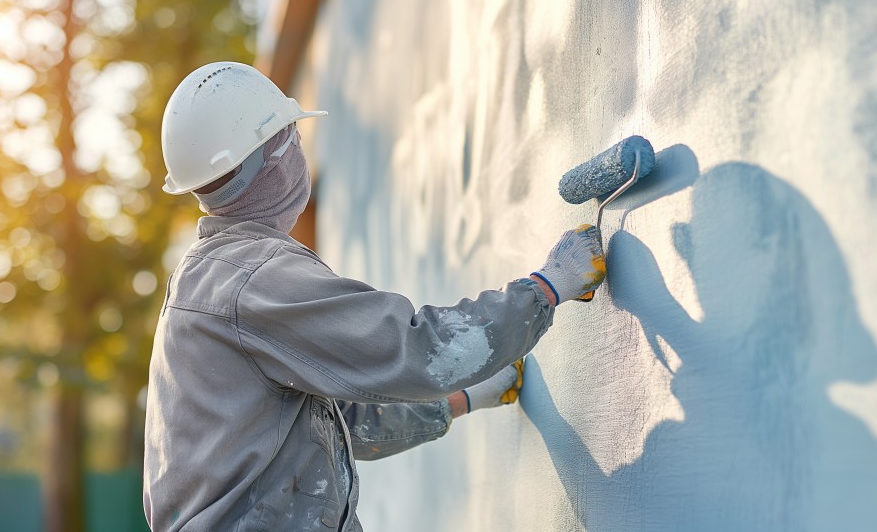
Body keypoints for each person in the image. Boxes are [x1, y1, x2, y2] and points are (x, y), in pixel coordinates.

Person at [142, 61, 606, 531]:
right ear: (271, 158)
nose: (301, 150)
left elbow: (339, 420)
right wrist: (547, 288)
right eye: (293, 138)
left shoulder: (211, 277)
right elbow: (418, 350)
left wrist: (461, 400)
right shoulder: (253, 278)